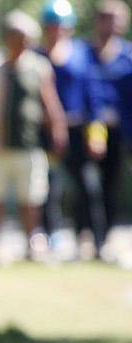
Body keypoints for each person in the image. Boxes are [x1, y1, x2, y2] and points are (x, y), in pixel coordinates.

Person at [0, 10, 68, 261]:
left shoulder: (39, 66)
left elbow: (49, 101)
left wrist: (57, 128)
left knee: (30, 200)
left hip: (28, 144)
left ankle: (32, 246)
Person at [37, 0, 108, 258]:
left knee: (89, 188)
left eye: (61, 26)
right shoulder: (37, 55)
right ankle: (47, 239)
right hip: (45, 133)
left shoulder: (81, 53)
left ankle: (94, 242)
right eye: (52, 26)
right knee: (47, 188)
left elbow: (94, 96)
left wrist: (97, 135)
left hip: (78, 131)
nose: (56, 31)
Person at [87, 0, 132, 258]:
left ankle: (106, 237)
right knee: (89, 184)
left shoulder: (127, 55)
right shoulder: (84, 53)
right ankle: (94, 234)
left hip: (120, 131)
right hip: (91, 128)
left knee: (113, 184)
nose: (110, 24)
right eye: (105, 17)